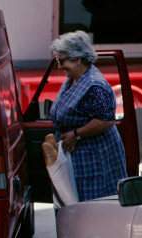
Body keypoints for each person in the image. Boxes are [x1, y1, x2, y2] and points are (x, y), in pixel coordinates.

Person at [49, 30, 127, 202]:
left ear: (78, 59)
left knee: (91, 205)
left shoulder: (94, 85)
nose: (59, 66)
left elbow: (106, 120)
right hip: (78, 156)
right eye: (57, 60)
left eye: (62, 61)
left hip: (94, 158)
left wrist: (76, 134)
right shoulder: (75, 77)